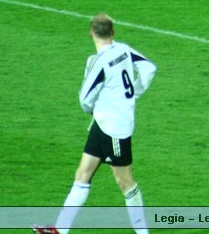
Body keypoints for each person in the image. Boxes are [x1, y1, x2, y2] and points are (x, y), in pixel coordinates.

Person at [33, 13, 157, 234]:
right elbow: (149, 68)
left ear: (91, 33)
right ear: (113, 32)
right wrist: (134, 93)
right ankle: (60, 229)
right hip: (102, 125)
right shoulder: (124, 50)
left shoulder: (97, 62)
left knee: (125, 182)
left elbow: (84, 98)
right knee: (82, 174)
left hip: (115, 130)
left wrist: (94, 108)